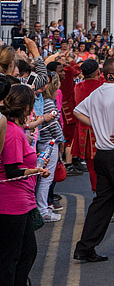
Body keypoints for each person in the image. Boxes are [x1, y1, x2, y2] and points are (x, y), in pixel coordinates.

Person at [72, 57, 114, 262]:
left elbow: (78, 111)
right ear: (111, 74)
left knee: (102, 203)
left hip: (102, 154)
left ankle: (85, 247)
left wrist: (98, 125)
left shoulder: (97, 93)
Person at [0, 84, 50, 286]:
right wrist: (35, 170)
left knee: (27, 252)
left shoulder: (16, 130)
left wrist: (35, 164)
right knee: (11, 256)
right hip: (12, 202)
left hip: (22, 201)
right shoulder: (12, 132)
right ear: (25, 107)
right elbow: (12, 170)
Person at [35, 72, 64, 221]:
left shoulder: (45, 101)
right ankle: (43, 210)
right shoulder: (48, 103)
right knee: (46, 178)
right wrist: (61, 141)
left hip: (46, 142)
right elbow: (54, 126)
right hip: (49, 143)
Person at [73, 59, 105, 191]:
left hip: (84, 132)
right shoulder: (101, 86)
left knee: (92, 168)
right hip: (101, 131)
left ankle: (96, 191)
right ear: (97, 72)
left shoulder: (78, 87)